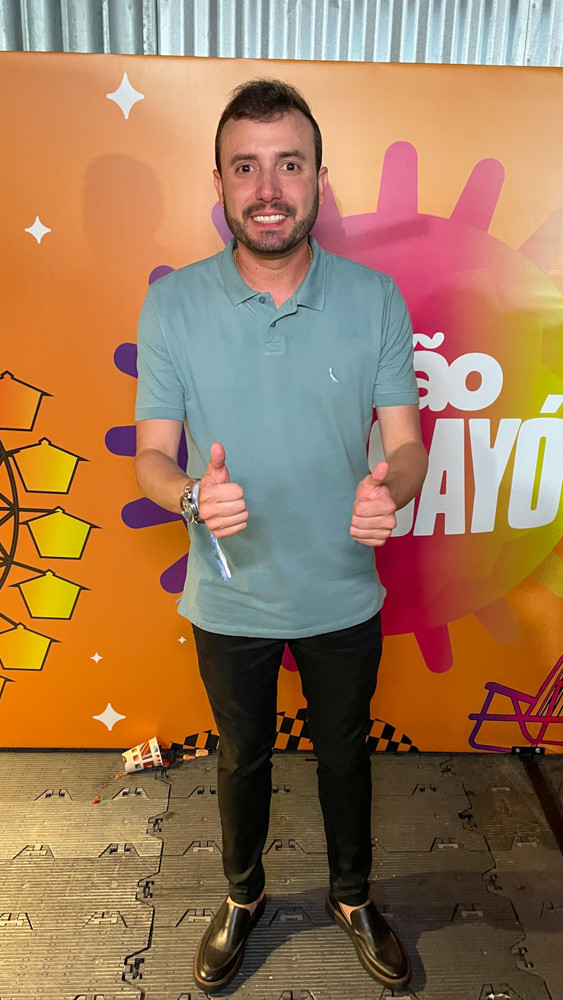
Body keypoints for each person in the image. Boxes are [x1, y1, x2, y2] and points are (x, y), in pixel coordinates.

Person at [134, 78, 428, 994]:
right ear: (219, 184)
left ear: (319, 181)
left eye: (288, 164)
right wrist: (191, 496)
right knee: (242, 756)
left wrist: (391, 491)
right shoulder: (172, 305)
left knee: (344, 752)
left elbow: (406, 447)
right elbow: (152, 458)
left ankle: (351, 896)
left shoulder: (375, 297)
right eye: (246, 167)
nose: (268, 188)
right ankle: (243, 894)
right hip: (229, 592)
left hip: (341, 586)